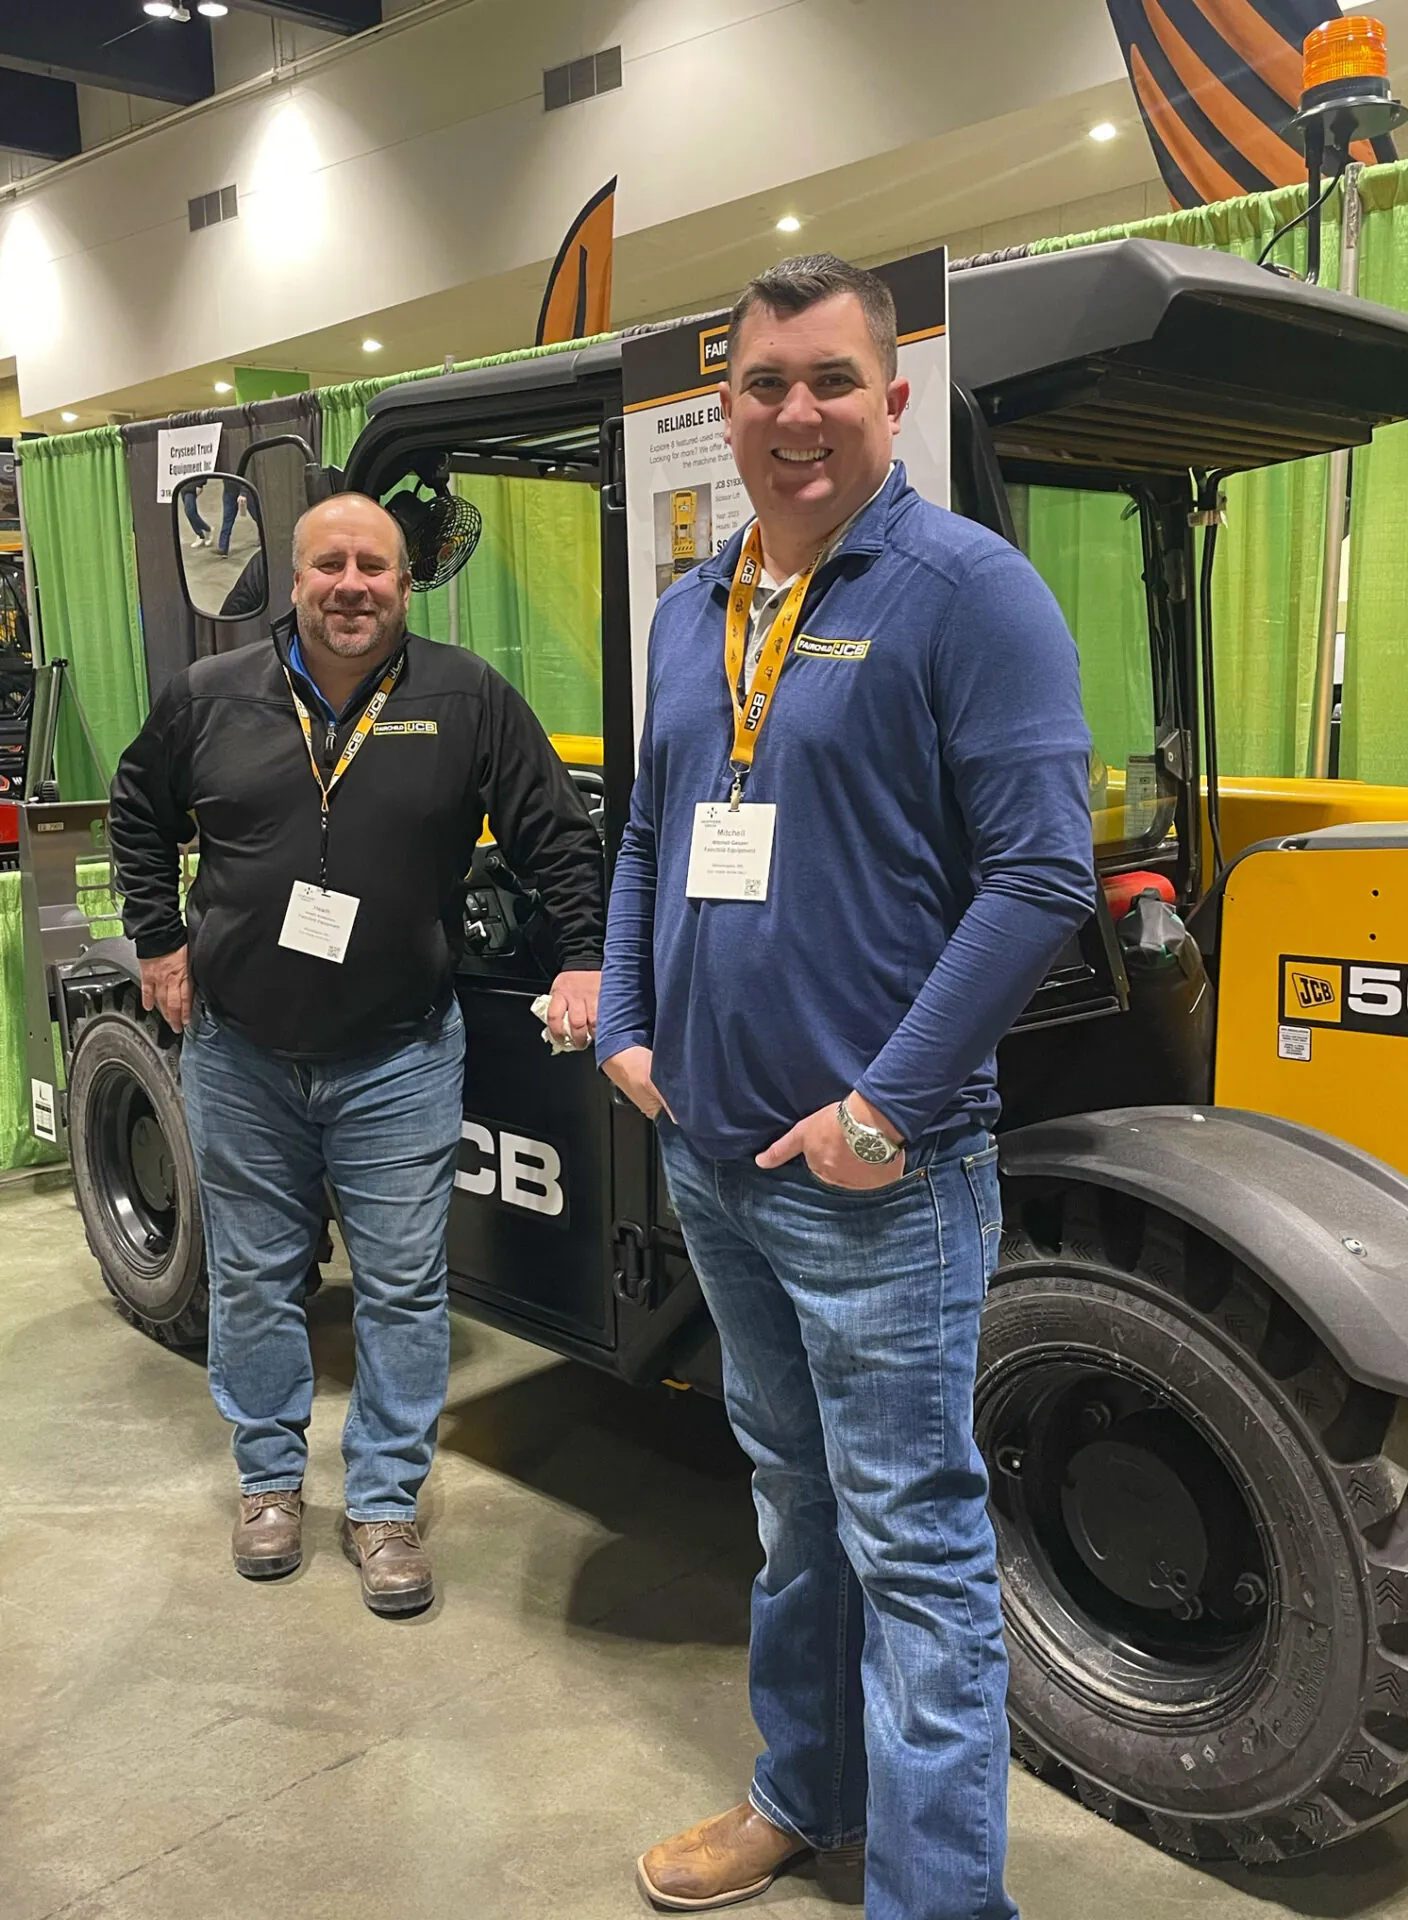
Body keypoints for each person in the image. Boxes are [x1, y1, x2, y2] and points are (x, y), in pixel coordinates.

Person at [595, 256, 1096, 1918]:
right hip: (715, 1159)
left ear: (891, 397)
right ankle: (803, 1797)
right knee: (797, 1512)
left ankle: (939, 1898)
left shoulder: (968, 594)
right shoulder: (691, 611)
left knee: (917, 1554)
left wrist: (887, 1106)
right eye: (764, 384)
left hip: (880, 1184)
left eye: (829, 381)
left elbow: (1039, 875)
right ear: (724, 408)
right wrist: (628, 1031)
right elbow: (653, 831)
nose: (795, 414)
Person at [112, 492, 603, 1615]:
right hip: (240, 1052)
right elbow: (138, 810)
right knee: (252, 1278)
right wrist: (158, 940)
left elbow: (555, 834)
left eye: (372, 567)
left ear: (404, 583)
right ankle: (269, 1484)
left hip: (398, 1055)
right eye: (328, 564)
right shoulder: (210, 696)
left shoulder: (465, 696)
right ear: (294, 582)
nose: (350, 586)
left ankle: (383, 1503)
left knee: (402, 1286)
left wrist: (583, 956)